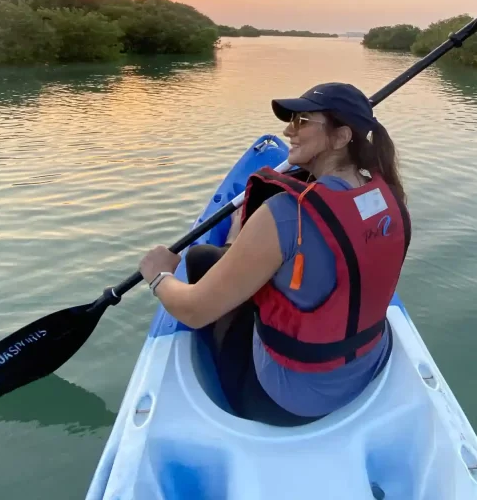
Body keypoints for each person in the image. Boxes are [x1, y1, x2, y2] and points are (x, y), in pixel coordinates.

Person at [139, 82, 411, 426]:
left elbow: (192, 311)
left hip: (288, 401)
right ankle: (235, 244)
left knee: (198, 260)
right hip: (367, 367)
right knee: (224, 261)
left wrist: (159, 276)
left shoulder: (285, 212)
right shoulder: (388, 194)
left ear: (341, 137)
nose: (288, 131)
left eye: (302, 122)